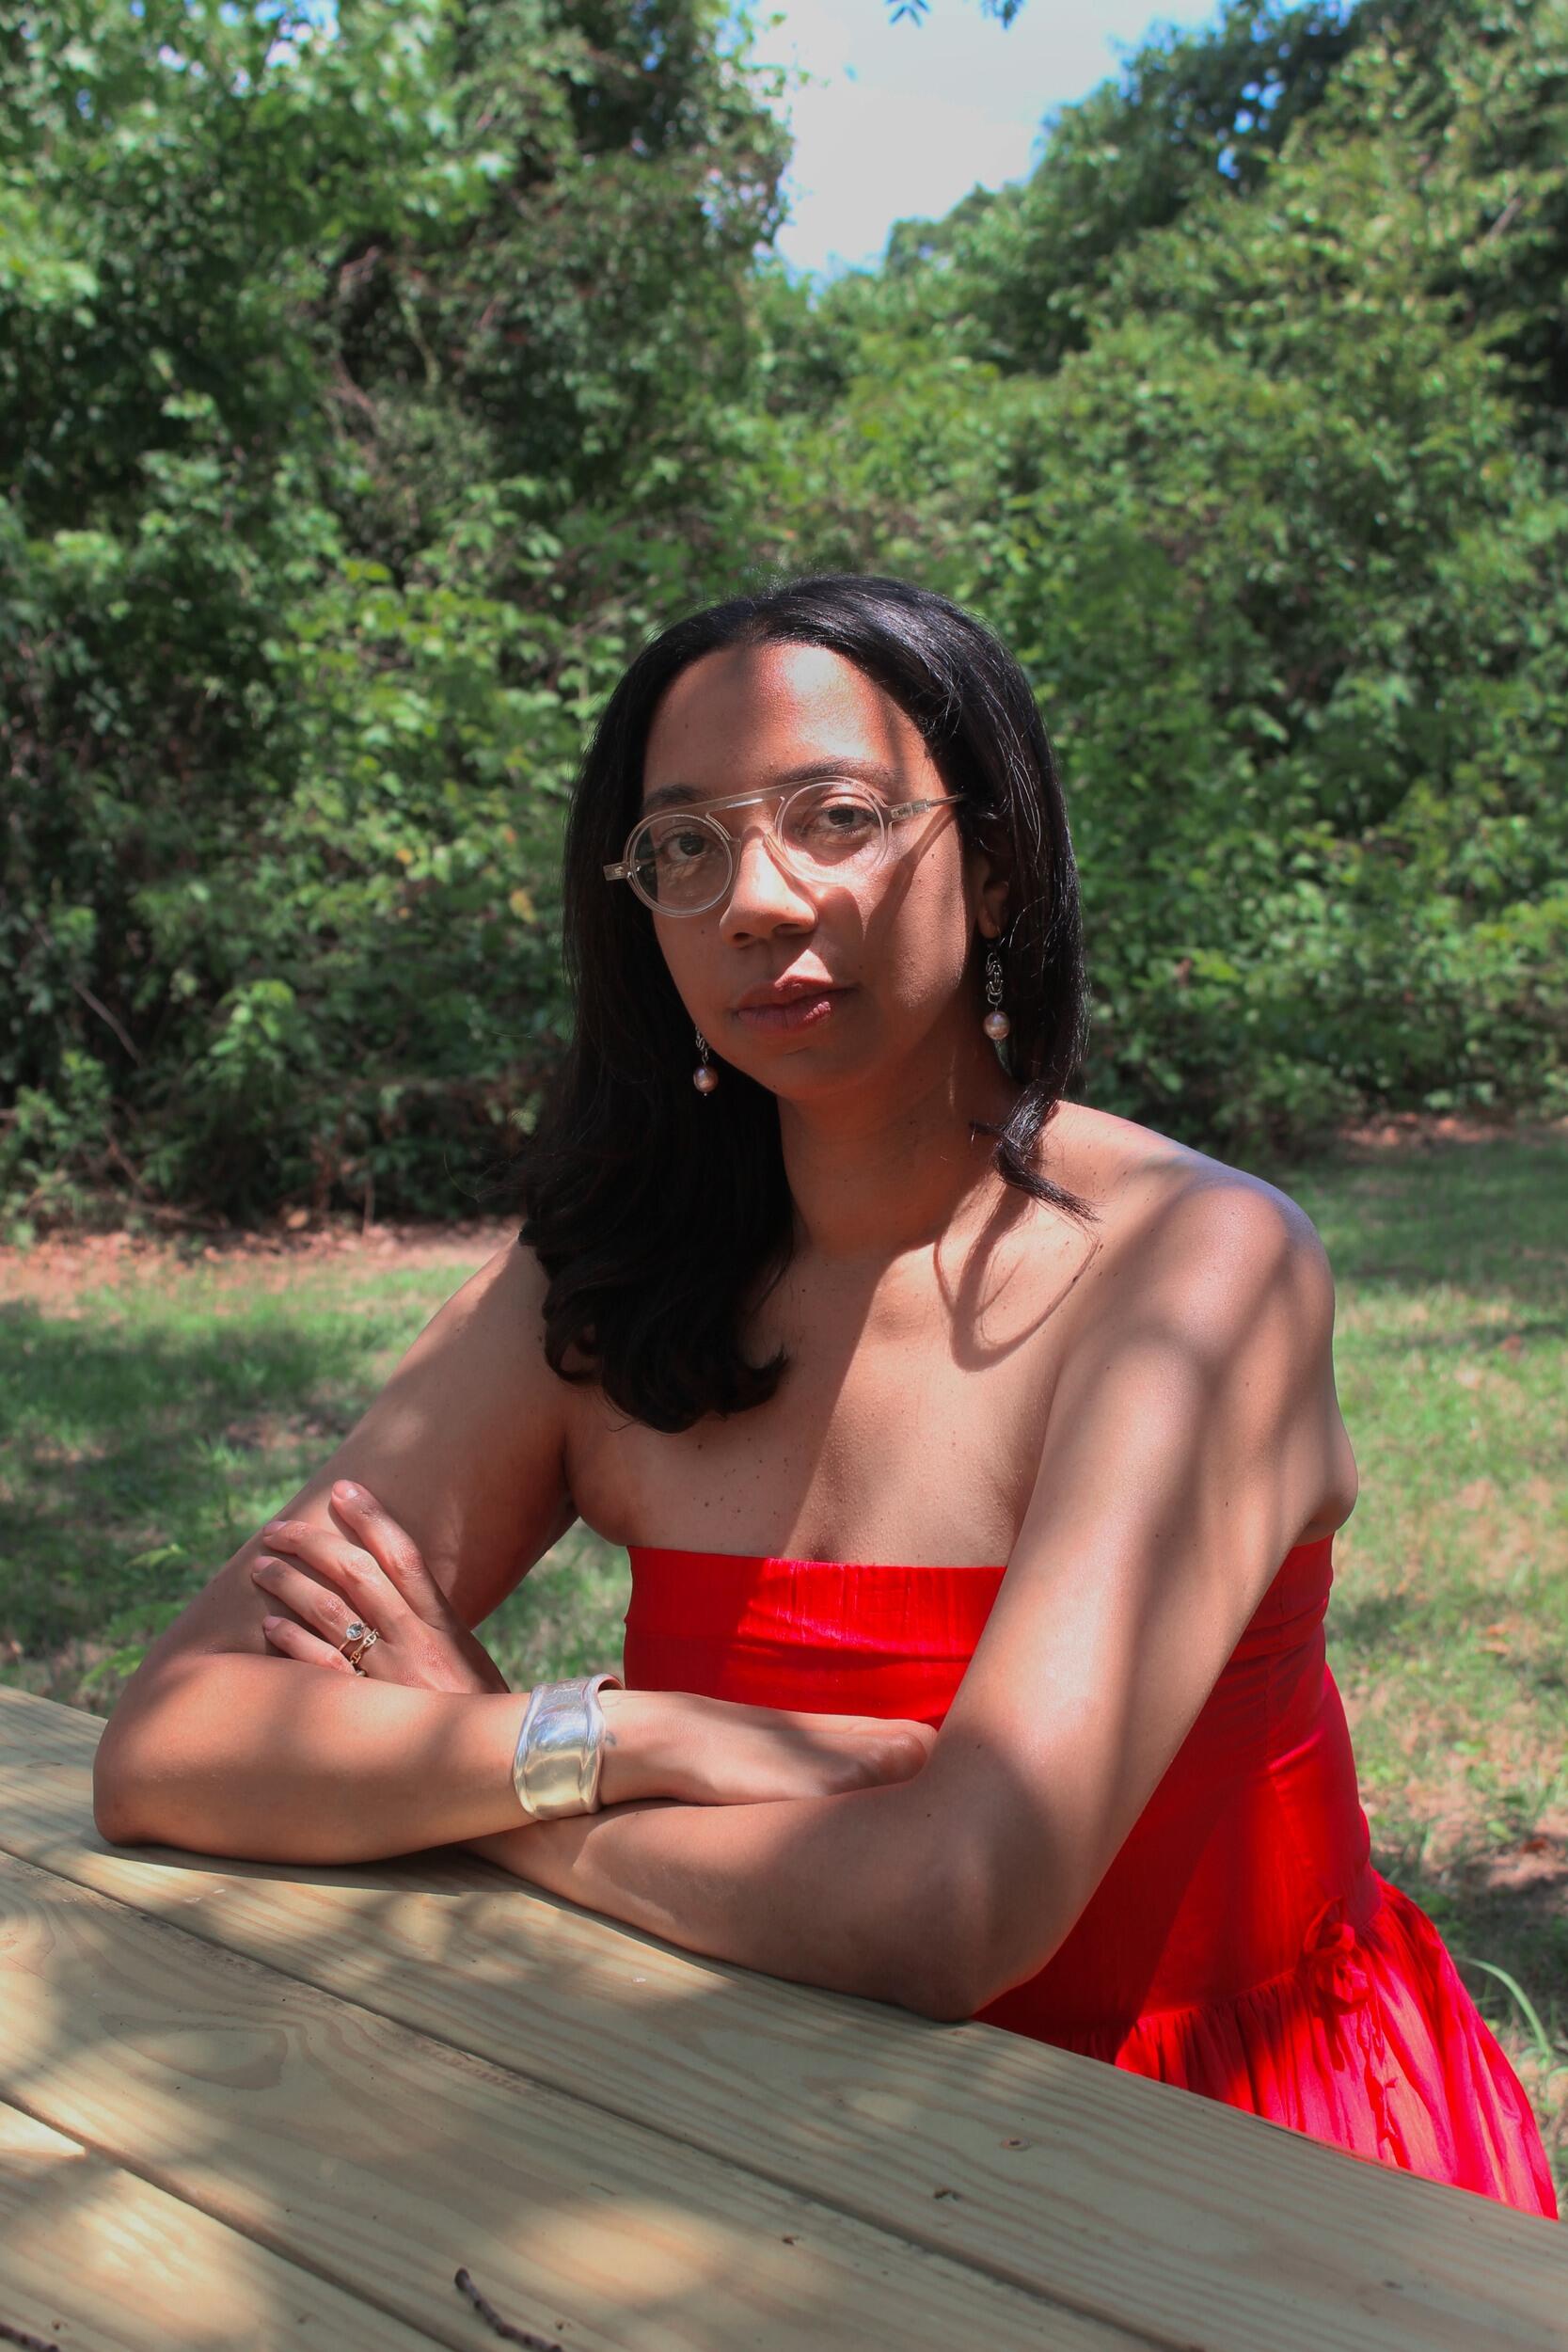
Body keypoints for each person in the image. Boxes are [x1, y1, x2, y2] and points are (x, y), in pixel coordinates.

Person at [92, 573, 1558, 2222]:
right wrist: (621, 1736)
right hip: (765, 2128)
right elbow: (171, 1744)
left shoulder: (1200, 1272)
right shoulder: (609, 1278)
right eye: (687, 849)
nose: (758, 901)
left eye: (837, 818)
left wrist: (469, 1776)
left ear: (993, 863)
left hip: (1233, 2165)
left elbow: (950, 1909)